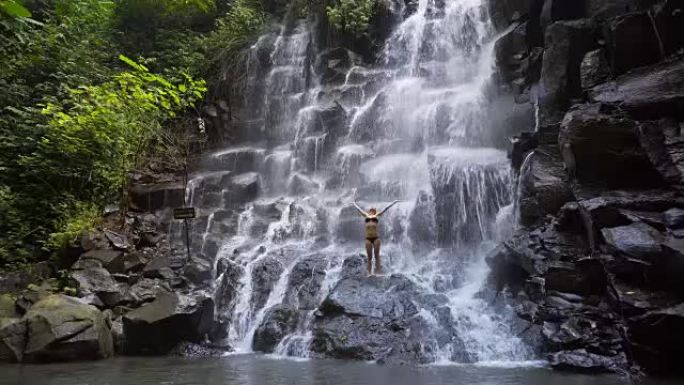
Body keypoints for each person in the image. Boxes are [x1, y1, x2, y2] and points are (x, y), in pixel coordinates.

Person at [352, 200, 400, 275]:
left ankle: (378, 272)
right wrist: (354, 203)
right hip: (368, 238)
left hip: (376, 238)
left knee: (377, 255)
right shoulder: (366, 215)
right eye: (370, 210)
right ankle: (369, 273)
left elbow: (386, 209)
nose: (371, 211)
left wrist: (394, 202)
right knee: (369, 257)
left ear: (374, 212)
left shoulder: (377, 215)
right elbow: (359, 210)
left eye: (372, 210)